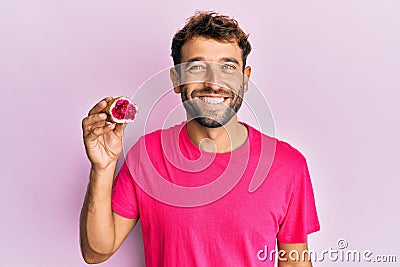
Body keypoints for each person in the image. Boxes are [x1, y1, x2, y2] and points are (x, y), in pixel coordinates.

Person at [80, 11, 320, 266]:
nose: (213, 83)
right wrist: (103, 168)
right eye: (196, 67)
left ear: (245, 79)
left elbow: (294, 262)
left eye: (228, 67)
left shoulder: (288, 165)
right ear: (177, 79)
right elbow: (96, 252)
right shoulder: (147, 155)